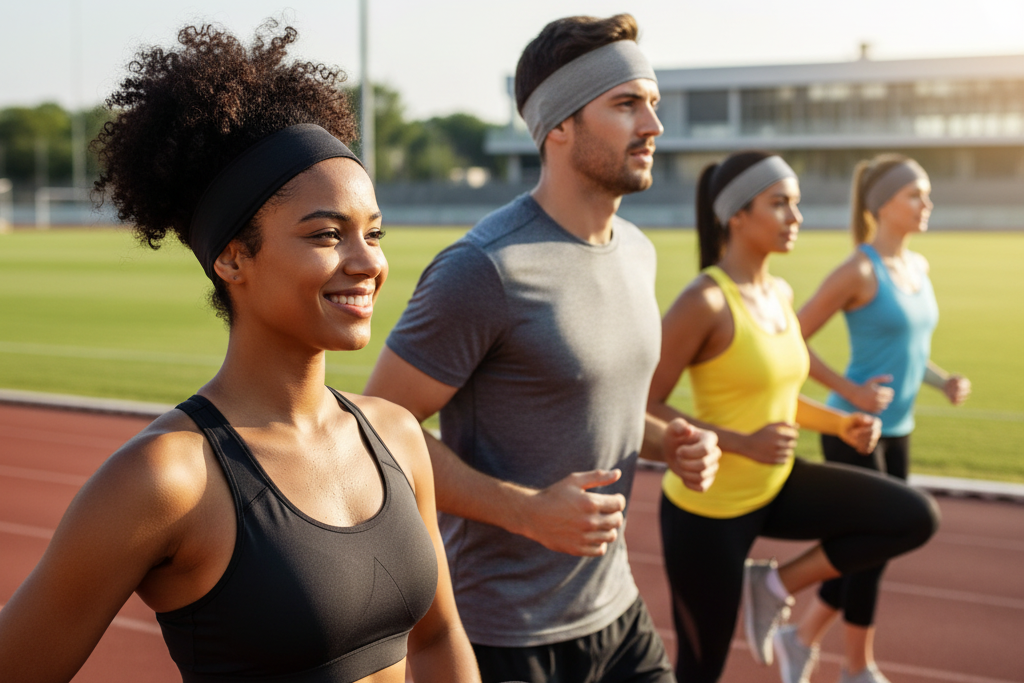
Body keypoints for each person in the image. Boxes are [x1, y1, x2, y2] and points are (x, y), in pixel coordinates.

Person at [0, 22, 479, 683]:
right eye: (326, 234)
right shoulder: (167, 477)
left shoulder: (397, 435)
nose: (367, 261)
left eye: (374, 232)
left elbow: (438, 640)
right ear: (232, 257)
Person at [363, 13, 720, 683]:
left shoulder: (637, 254)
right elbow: (378, 429)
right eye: (626, 104)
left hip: (617, 612)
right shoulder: (486, 268)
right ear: (559, 125)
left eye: (653, 103)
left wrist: (672, 442)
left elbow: (593, 403)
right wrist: (527, 512)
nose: (653, 125)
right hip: (503, 634)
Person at [646, 151, 941, 683]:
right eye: (779, 204)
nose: (795, 218)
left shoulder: (780, 294)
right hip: (708, 511)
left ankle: (774, 585)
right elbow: (644, 403)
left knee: (912, 517)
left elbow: (779, 397)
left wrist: (839, 423)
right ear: (737, 214)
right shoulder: (706, 301)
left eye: (796, 204)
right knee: (700, 669)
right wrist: (740, 442)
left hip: (777, 486)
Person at [782, 154, 971, 683]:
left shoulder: (917, 267)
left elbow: (907, 349)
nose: (926, 203)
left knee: (877, 545)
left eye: (926, 194)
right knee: (875, 547)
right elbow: (791, 339)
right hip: (853, 429)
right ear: (882, 204)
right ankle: (857, 668)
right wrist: (849, 391)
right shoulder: (857, 270)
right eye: (915, 195)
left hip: (900, 427)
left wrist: (942, 381)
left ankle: (800, 637)